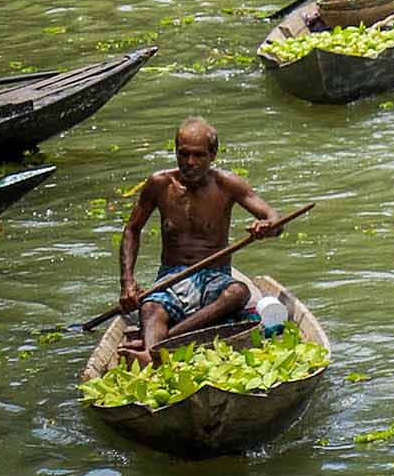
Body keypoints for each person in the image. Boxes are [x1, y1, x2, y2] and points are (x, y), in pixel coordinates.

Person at [112, 119, 289, 364]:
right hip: (172, 276)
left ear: (213, 155)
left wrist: (267, 227)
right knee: (150, 308)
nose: (190, 163)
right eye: (183, 154)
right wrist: (127, 282)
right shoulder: (159, 184)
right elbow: (132, 230)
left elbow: (275, 221)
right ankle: (157, 350)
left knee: (238, 291)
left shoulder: (227, 184)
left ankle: (157, 347)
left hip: (214, 276)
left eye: (198, 155)